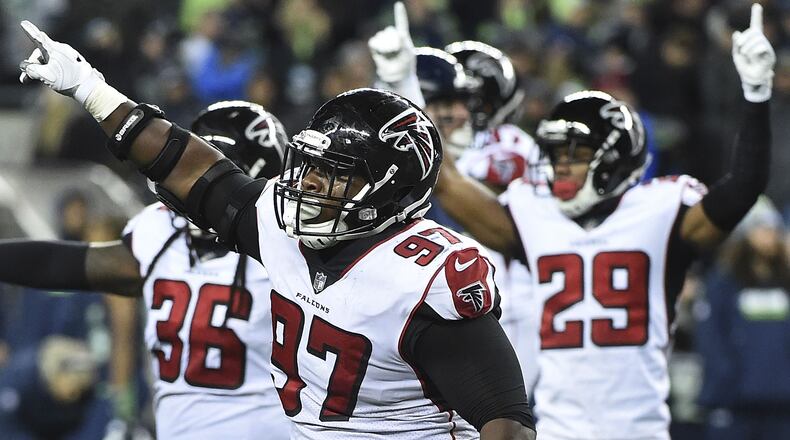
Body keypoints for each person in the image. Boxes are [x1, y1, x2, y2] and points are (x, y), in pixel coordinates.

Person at [16, 18, 537, 440]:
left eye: (333, 175)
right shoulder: (279, 228)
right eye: (309, 166)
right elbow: (189, 166)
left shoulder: (421, 279)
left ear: (388, 189)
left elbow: (508, 424)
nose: (307, 184)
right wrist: (90, 89)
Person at [431, 3, 775, 439]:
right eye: (556, 156)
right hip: (559, 431)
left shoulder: (660, 211)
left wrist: (756, 94)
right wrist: (403, 86)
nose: (561, 168)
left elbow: (743, 187)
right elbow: (446, 182)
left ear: (613, 160)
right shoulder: (535, 214)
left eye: (574, 155)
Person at [0, 101, 292, 440]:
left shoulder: (285, 253)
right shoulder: (161, 232)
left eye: (203, 170)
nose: (185, 179)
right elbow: (63, 264)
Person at [696, 197, 790, 440]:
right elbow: (711, 336)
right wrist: (726, 378)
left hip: (781, 398)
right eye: (761, 228)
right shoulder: (723, 282)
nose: (769, 236)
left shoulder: (785, 281)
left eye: (773, 229)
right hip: (735, 397)